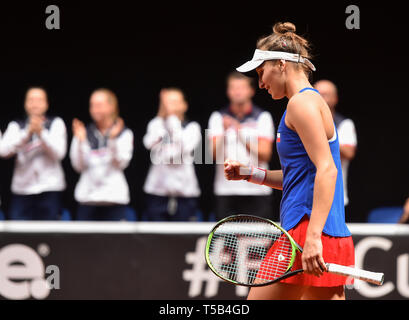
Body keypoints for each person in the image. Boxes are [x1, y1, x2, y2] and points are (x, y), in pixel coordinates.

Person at [224, 22, 354, 300]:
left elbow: (328, 170)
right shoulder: (308, 102)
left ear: (281, 64)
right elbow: (300, 176)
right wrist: (249, 173)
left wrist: (313, 237)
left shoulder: (301, 104)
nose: (260, 83)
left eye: (262, 72)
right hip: (327, 232)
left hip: (309, 231)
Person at [207, 71, 275, 220]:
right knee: (226, 242)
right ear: (228, 91)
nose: (237, 92)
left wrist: (240, 133)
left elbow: (265, 154)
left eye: (241, 88)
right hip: (225, 190)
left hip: (257, 190)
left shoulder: (263, 117)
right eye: (233, 88)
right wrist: (224, 132)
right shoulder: (217, 117)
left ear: (251, 91)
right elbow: (212, 155)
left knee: (257, 242)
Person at [0, 87, 67, 220]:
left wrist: (41, 132)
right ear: (25, 104)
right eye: (31, 100)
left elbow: (59, 153)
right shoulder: (16, 125)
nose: (35, 103)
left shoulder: (56, 123)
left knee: (49, 235)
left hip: (50, 188)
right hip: (22, 189)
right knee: (20, 235)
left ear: (46, 104)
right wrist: (27, 133)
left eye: (39, 100)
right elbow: (4, 151)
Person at [70, 88, 133, 221]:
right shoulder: (83, 132)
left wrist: (112, 140)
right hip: (87, 200)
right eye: (92, 105)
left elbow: (121, 163)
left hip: (114, 199)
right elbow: (78, 166)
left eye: (99, 105)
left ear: (111, 107)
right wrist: (81, 142)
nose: (94, 109)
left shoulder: (124, 133)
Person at [142, 87, 201, 221]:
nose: (169, 106)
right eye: (166, 102)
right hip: (157, 192)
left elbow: (183, 149)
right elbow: (148, 143)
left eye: (174, 102)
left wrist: (172, 120)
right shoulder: (156, 123)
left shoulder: (192, 127)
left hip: (185, 193)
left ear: (184, 105)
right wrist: (162, 118)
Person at [314, 80, 357, 207]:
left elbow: (349, 153)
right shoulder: (301, 122)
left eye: (325, 94)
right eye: (317, 93)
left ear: (335, 99)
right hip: (307, 194)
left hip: (334, 194)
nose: (321, 98)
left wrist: (323, 134)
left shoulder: (344, 124)